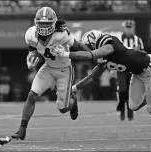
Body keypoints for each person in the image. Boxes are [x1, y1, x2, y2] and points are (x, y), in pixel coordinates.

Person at [53, 29, 151, 139]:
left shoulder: (108, 41)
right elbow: (92, 77)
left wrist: (66, 54)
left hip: (150, 67)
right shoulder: (102, 57)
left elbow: (93, 54)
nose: (88, 49)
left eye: (88, 46)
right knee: (133, 106)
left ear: (93, 42)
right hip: (137, 73)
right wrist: (72, 89)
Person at [11, 6, 90, 140]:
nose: (43, 27)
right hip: (48, 67)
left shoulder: (62, 35)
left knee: (62, 108)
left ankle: (73, 100)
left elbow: (78, 46)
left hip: (65, 70)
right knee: (32, 95)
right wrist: (30, 60)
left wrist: (92, 54)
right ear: (36, 23)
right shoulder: (31, 34)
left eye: (47, 24)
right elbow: (31, 49)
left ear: (53, 23)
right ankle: (22, 129)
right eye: (41, 24)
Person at [115, 20, 145, 121]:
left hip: (133, 69)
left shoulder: (138, 40)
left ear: (133, 28)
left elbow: (143, 54)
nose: (129, 29)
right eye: (127, 27)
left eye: (130, 27)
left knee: (131, 91)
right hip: (121, 69)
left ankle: (130, 110)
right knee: (122, 91)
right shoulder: (119, 39)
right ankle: (123, 110)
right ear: (124, 28)